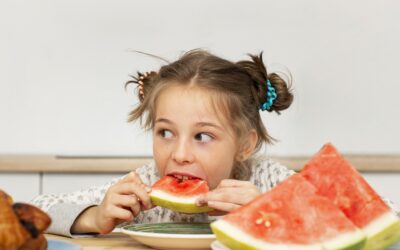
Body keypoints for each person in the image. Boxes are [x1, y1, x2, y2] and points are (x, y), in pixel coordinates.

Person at [31, 49, 296, 236]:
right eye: (166, 133)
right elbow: (34, 208)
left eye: (202, 136)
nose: (180, 155)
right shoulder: (144, 186)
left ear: (244, 145)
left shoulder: (267, 181)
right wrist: (94, 217)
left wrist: (272, 215)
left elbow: (337, 222)